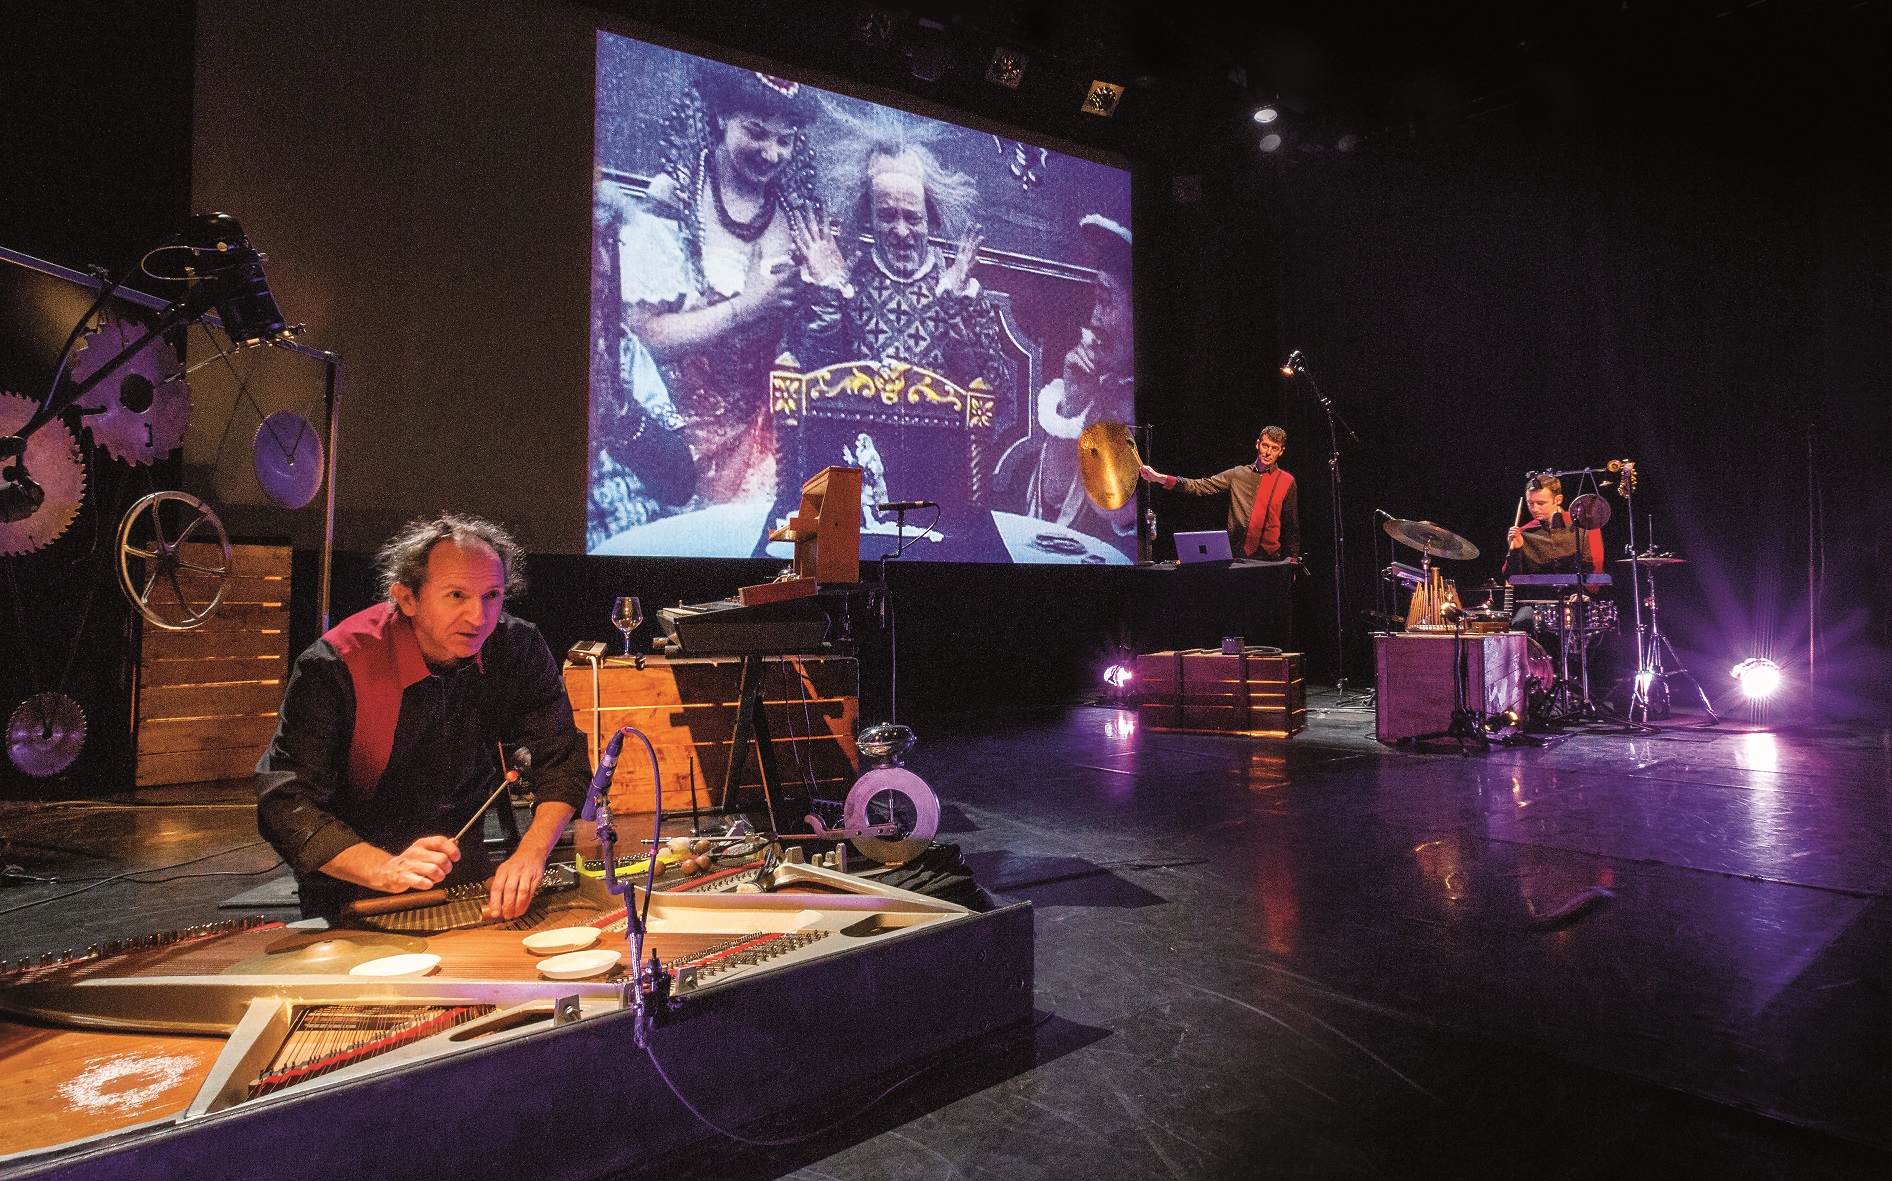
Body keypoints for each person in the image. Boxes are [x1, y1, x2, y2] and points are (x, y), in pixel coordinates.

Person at [256, 515, 590, 922]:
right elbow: (286, 800)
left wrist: (531, 854)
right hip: (354, 882)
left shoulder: (516, 647)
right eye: (456, 595)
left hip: (463, 872)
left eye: (492, 595)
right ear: (407, 598)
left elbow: (562, 759)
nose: (478, 617)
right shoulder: (338, 662)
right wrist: (385, 868)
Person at [611, 67, 822, 513]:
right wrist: (747, 308)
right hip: (683, 449)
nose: (771, 153)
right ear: (723, 116)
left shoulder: (799, 214)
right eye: (757, 132)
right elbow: (641, 338)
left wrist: (828, 287)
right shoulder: (676, 198)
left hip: (774, 444)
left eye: (785, 140)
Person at [1004, 214, 1136, 549]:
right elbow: (1051, 503)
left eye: (1105, 301)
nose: (1095, 319)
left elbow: (1119, 509)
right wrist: (1075, 402)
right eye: (1096, 300)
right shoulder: (1100, 390)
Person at [1141, 426, 1301, 561]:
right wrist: (1160, 478)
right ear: (1257, 444)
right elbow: (1200, 486)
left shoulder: (1287, 481)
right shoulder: (1238, 474)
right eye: (1265, 446)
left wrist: (1292, 562)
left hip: (1270, 560)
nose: (1268, 452)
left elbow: (1291, 527)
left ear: (1281, 451)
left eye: (1274, 448)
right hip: (1238, 557)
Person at [1503, 473, 1606, 630]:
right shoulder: (1524, 532)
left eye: (1541, 503)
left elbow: (1595, 567)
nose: (1534, 509)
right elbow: (1512, 577)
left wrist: (1585, 593)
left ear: (1558, 500)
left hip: (1577, 601)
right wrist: (1515, 551)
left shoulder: (1584, 526)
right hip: (1538, 606)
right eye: (1530, 503)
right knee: (1520, 624)